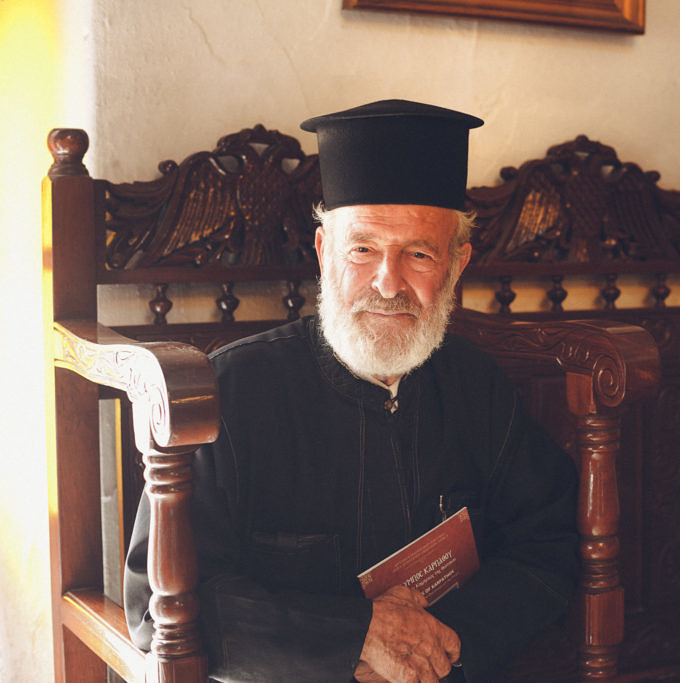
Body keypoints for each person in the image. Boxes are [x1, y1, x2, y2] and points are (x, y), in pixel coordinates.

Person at [123, 99, 580, 683]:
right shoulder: (230, 395)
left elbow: (548, 546)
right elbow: (157, 607)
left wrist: (439, 645)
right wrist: (353, 641)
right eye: (362, 249)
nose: (388, 283)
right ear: (322, 253)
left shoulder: (478, 387)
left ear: (457, 264)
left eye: (419, 253)